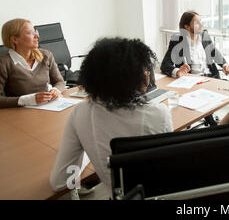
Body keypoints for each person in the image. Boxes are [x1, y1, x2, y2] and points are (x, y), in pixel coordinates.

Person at [50, 38, 173, 196]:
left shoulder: (80, 112)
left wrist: (88, 151)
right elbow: (169, 170)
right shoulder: (158, 113)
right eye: (145, 70)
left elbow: (59, 182)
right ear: (130, 78)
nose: (148, 75)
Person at [0, 18, 65, 108]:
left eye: (36, 31)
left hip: (48, 108)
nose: (37, 36)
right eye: (30, 33)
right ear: (15, 39)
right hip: (19, 114)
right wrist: (29, 100)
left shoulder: (46, 55)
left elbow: (59, 82)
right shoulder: (3, 63)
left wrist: (56, 90)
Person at [160, 11, 229, 79]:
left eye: (200, 22)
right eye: (197, 23)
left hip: (212, 78)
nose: (201, 25)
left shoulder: (204, 36)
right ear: (187, 27)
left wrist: (225, 65)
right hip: (192, 80)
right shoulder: (177, 41)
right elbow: (165, 65)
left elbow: (215, 53)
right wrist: (177, 71)